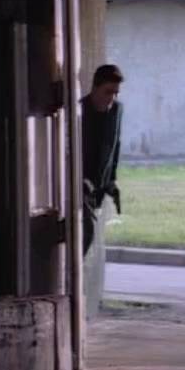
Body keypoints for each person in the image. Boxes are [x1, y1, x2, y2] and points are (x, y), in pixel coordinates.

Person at [82, 64, 124, 254]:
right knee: (86, 233)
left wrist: (111, 179)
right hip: (80, 187)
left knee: (88, 236)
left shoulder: (117, 110)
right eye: (108, 92)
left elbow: (115, 144)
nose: (112, 98)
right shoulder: (80, 110)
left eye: (116, 93)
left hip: (99, 188)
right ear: (95, 88)